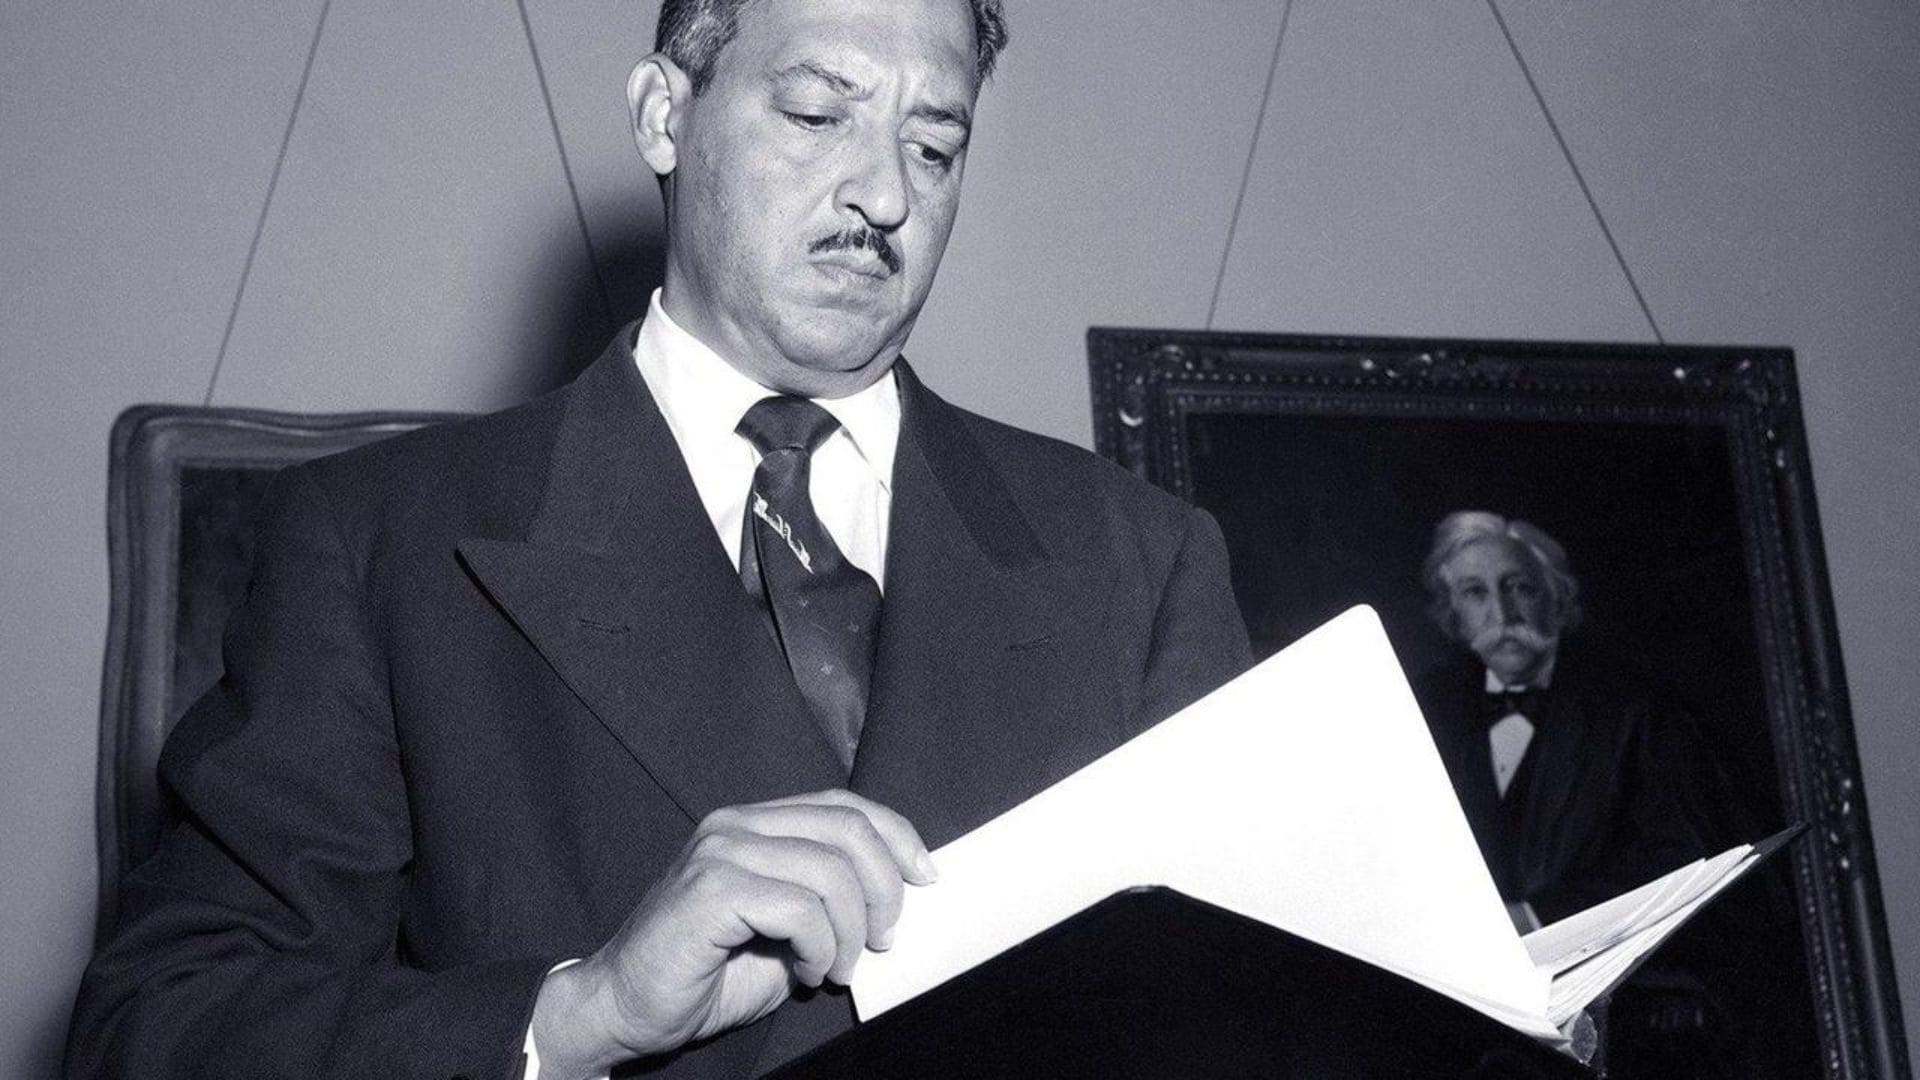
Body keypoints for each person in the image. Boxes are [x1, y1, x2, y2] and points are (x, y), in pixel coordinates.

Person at [65, 2, 1252, 1077]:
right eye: (816, 113)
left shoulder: (1140, 564)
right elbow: (157, 1031)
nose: (884, 196)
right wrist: (579, 1013)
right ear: (663, 115)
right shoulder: (380, 545)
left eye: (933, 147)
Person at [1408, 510, 1724, 931]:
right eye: (1474, 593)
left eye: (1519, 588)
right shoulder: (1427, 709)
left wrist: (1542, 918)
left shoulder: (1635, 710)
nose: (1502, 616)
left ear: (1556, 598)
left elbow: (1687, 855)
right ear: (1454, 613)